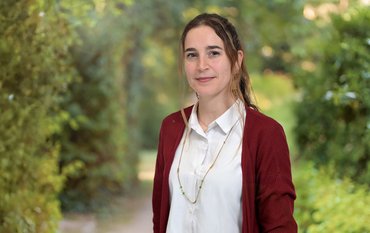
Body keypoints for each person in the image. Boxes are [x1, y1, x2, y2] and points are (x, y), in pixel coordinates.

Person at [152, 13, 297, 233]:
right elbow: (160, 215)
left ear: (237, 60)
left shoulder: (265, 133)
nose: (202, 65)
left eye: (213, 53)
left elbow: (279, 227)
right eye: (192, 55)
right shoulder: (171, 127)